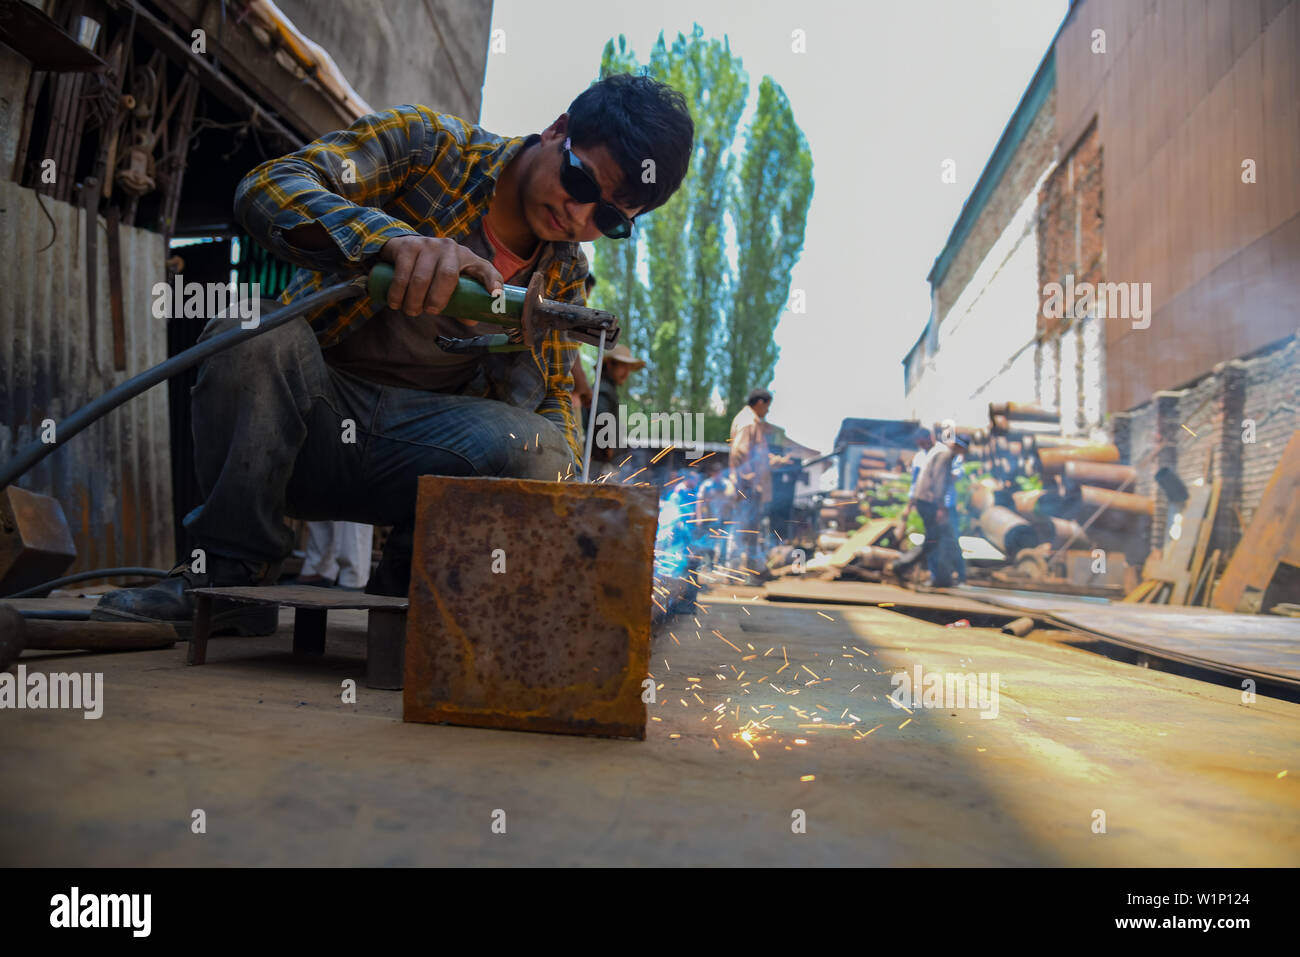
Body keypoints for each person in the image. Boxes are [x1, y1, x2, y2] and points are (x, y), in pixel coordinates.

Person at [91, 74, 694, 635]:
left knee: (542, 449)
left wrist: (570, 511)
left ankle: (412, 596)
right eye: (581, 182)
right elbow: (268, 186)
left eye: (609, 219)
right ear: (558, 129)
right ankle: (224, 579)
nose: (578, 215)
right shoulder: (430, 147)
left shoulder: (564, 274)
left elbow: (555, 394)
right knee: (253, 328)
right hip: (305, 427)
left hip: (419, 457)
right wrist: (388, 242)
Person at [890, 431, 968, 587]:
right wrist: (940, 507)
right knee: (934, 539)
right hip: (929, 502)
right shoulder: (945, 455)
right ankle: (902, 565)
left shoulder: (941, 452)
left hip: (926, 501)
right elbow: (939, 482)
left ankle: (941, 578)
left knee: (937, 539)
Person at [729, 387, 775, 573]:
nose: (768, 411)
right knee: (743, 528)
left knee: (746, 528)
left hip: (747, 485)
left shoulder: (748, 420)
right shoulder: (749, 422)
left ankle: (744, 569)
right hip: (746, 486)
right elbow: (740, 450)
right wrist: (749, 477)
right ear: (760, 403)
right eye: (767, 406)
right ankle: (735, 571)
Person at [583, 342, 646, 475]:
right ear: (610, 365)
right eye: (623, 366)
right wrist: (609, 444)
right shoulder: (604, 389)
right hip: (598, 462)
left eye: (629, 368)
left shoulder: (605, 388)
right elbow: (601, 415)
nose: (626, 373)